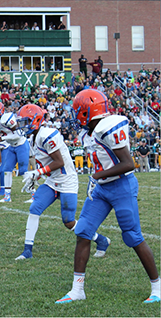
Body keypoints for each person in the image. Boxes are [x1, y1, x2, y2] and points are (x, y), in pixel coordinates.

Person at [56, 89, 160, 304]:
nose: (75, 116)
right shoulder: (87, 132)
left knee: (132, 236)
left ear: (88, 111)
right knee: (84, 232)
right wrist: (97, 179)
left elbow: (128, 164)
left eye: (78, 111)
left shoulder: (108, 127)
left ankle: (157, 287)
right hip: (101, 189)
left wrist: (96, 175)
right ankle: (77, 291)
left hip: (121, 186)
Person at [15, 104, 110, 261]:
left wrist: (37, 172)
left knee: (69, 221)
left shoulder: (46, 134)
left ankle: (101, 240)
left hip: (67, 181)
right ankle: (27, 251)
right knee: (34, 208)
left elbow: (58, 162)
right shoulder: (33, 138)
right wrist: (36, 177)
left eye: (26, 122)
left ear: (36, 120)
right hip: (52, 180)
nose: (23, 126)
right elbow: (45, 163)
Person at [0, 112, 30, 203]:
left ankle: (34, 194)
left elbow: (17, 136)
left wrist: (2, 139)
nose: (15, 126)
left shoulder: (13, 121)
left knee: (23, 171)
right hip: (12, 146)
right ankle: (7, 196)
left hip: (21, 145)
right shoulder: (0, 122)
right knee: (7, 169)